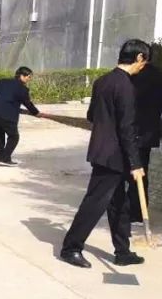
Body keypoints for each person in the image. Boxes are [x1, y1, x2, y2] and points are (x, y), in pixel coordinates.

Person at [60, 39, 150, 268]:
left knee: (120, 204)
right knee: (95, 203)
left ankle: (123, 251)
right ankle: (71, 248)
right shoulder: (127, 87)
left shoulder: (103, 81)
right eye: (144, 62)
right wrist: (135, 162)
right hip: (113, 156)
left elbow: (92, 116)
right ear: (139, 58)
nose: (143, 67)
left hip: (104, 151)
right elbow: (126, 129)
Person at [0, 66, 41, 166]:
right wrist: (36, 113)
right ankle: (5, 159)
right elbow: (28, 103)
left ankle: (2, 159)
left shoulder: (3, 81)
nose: (29, 79)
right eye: (28, 77)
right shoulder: (22, 89)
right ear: (22, 76)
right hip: (7, 116)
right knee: (14, 137)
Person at [131, 43, 162, 223]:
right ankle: (139, 211)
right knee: (143, 168)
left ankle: (129, 209)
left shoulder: (133, 74)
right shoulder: (158, 75)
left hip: (132, 128)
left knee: (128, 170)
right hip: (149, 130)